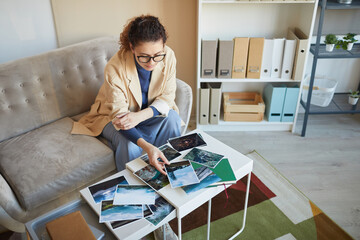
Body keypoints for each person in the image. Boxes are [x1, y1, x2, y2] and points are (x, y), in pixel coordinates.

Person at [71, 15, 182, 175]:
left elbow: (167, 98)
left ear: (163, 45)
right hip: (112, 117)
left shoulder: (168, 55)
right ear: (132, 47)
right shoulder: (114, 68)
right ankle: (134, 187)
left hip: (143, 115)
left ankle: (172, 171)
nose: (152, 62)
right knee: (130, 143)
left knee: (172, 118)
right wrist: (147, 147)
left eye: (157, 55)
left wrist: (138, 117)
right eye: (144, 56)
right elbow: (120, 118)